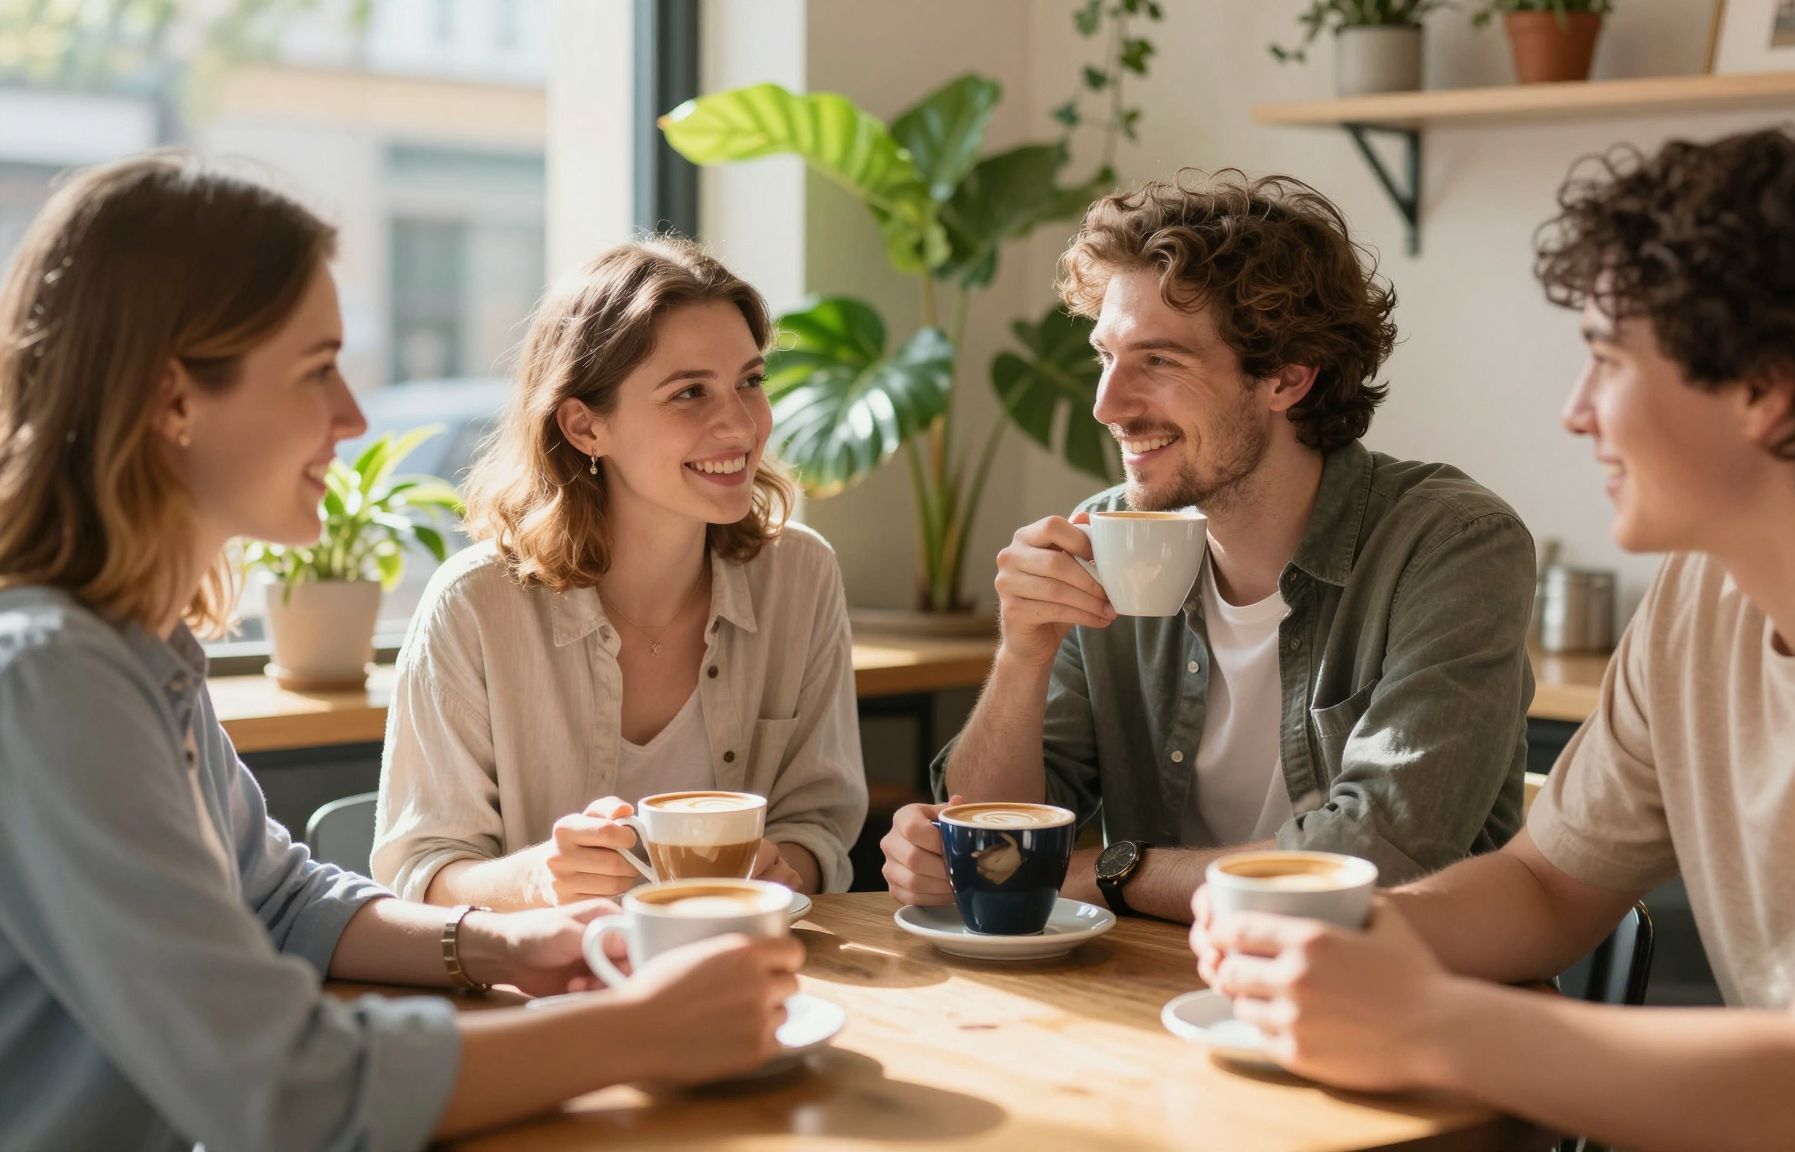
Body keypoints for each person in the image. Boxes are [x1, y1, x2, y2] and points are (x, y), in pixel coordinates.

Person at [1194, 128, 1795, 1151]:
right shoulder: (1705, 591)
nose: (1575, 412)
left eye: (1605, 360)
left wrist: (1424, 1020)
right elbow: (1546, 886)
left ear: (1764, 388)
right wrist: (1348, 933)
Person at [0, 154, 803, 1152]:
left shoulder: (137, 649)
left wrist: (509, 944)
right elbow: (281, 1089)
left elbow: (280, 900)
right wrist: (639, 1032)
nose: (351, 414)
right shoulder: (50, 681)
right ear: (174, 401)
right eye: (316, 370)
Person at [881, 172, 1537, 923]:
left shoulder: (1450, 545)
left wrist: (1114, 873)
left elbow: (1377, 856)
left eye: (1159, 361)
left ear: (1287, 377)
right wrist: (1021, 657)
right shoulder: (1107, 537)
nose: (1107, 405)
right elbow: (993, 839)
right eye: (1105, 356)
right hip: (1158, 978)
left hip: (1396, 986)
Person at [371, 237, 866, 907]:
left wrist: (786, 867)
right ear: (584, 427)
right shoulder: (473, 605)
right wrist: (538, 879)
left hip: (750, 957)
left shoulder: (801, 576)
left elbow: (819, 824)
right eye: (689, 392)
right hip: (558, 972)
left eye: (750, 382)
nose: (740, 424)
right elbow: (420, 873)